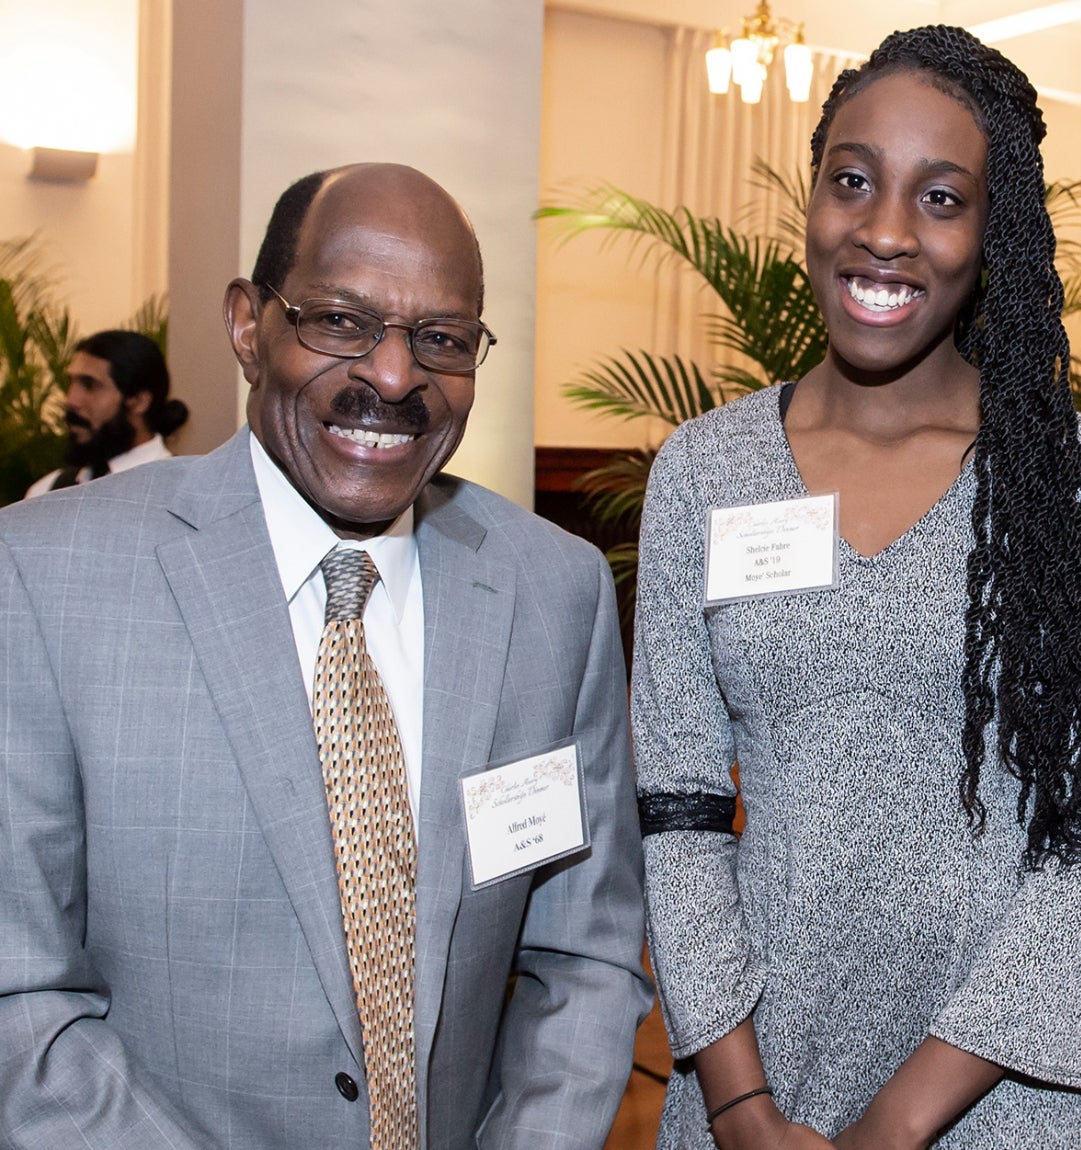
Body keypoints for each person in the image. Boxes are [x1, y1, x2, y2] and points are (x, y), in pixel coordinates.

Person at [0, 163, 651, 1149]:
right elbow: (20, 994)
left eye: (442, 339)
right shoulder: (46, 574)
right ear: (245, 327)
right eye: (340, 322)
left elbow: (585, 955)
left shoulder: (554, 592)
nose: (394, 376)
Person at [633, 24, 1081, 1150]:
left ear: (991, 230)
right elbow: (677, 809)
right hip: (757, 1076)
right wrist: (741, 1102)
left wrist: (895, 1124)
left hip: (1011, 1093)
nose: (886, 232)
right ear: (812, 198)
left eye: (942, 197)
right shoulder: (706, 471)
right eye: (853, 180)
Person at [25, 328, 188, 496]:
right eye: (71, 383)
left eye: (89, 385)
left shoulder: (181, 492)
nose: (71, 401)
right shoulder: (46, 492)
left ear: (139, 401)